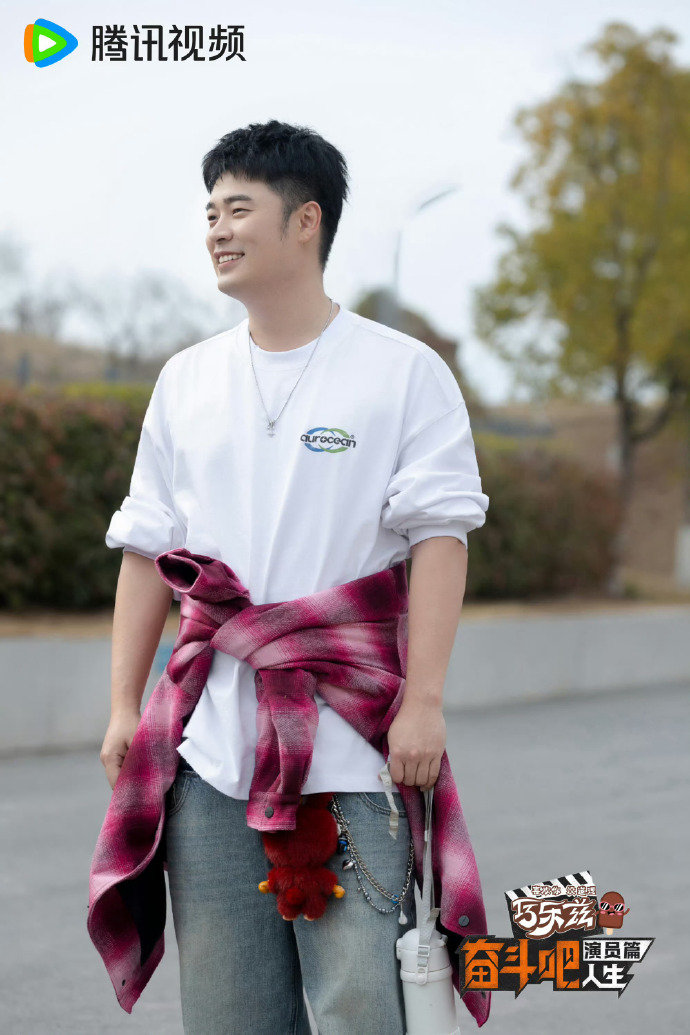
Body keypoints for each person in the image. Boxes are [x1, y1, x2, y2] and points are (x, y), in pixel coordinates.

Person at [99, 119, 489, 1035]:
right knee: (228, 1012)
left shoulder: (403, 372)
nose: (216, 230)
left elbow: (441, 537)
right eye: (210, 213)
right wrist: (124, 704)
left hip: (352, 743)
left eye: (238, 209)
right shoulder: (186, 379)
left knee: (360, 1005)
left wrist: (424, 702)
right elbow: (148, 547)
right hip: (207, 750)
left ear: (306, 220)